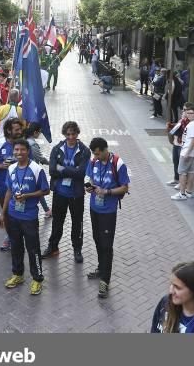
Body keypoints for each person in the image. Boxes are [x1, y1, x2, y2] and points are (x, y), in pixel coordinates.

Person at [0, 138, 50, 295]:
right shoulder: (11, 168)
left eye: (22, 150)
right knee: (16, 247)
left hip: (29, 216)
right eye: (16, 150)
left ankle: (37, 279)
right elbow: (9, 191)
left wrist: (27, 196)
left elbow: (45, 191)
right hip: (13, 215)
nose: (18, 153)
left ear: (28, 151)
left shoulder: (36, 169)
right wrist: (3, 212)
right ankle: (18, 274)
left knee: (33, 249)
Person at [85, 137, 130, 299]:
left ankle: (105, 280)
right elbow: (90, 178)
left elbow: (124, 187)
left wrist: (107, 192)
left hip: (108, 211)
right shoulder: (93, 161)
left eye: (98, 154)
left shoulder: (118, 163)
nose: (96, 157)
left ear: (105, 149)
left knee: (106, 244)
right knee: (97, 239)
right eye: (94, 154)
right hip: (94, 208)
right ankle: (101, 268)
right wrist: (90, 187)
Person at [44, 121, 91, 263]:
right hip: (60, 192)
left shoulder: (84, 151)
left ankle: (77, 249)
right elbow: (52, 170)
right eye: (68, 134)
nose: (71, 137)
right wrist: (72, 171)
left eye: (73, 134)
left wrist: (62, 169)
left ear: (77, 133)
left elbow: (81, 173)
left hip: (76, 194)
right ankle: (53, 247)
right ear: (64, 134)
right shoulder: (57, 149)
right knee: (57, 222)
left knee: (77, 223)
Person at [0, 118, 25, 251]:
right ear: (9, 130)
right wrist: (1, 165)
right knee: (5, 213)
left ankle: (20, 236)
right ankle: (10, 237)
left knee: (19, 212)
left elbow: (31, 162)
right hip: (2, 186)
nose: (20, 132)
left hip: (20, 187)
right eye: (17, 130)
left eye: (20, 129)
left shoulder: (24, 144)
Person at [171, 105, 194, 201]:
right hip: (190, 151)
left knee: (182, 172)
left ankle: (182, 193)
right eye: (187, 113)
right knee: (190, 171)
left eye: (191, 113)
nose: (188, 115)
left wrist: (187, 152)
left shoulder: (193, 125)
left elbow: (193, 140)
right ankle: (188, 191)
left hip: (187, 151)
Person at [24, 122, 52, 217]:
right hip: (32, 171)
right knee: (39, 190)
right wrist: (50, 163)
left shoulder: (26, 140)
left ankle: (47, 210)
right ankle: (47, 210)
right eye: (39, 132)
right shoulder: (32, 144)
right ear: (35, 132)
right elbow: (40, 158)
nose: (40, 134)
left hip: (26, 169)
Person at [166, 103, 193, 188]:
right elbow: (177, 127)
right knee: (176, 161)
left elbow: (184, 132)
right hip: (176, 143)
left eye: (184, 110)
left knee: (182, 166)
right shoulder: (182, 119)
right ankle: (176, 179)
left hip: (182, 145)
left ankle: (183, 183)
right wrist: (171, 126)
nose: (182, 111)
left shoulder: (189, 122)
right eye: (183, 109)